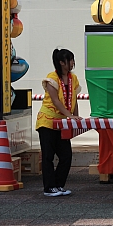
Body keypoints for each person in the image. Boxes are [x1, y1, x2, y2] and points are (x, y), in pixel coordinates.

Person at [35, 48, 80, 197]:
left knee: (66, 155)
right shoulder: (51, 78)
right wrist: (70, 116)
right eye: (70, 60)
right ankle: (49, 187)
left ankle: (59, 184)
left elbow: (74, 99)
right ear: (61, 62)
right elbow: (55, 101)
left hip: (62, 122)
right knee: (48, 156)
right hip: (47, 121)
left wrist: (75, 117)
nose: (72, 63)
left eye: (73, 60)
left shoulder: (73, 78)